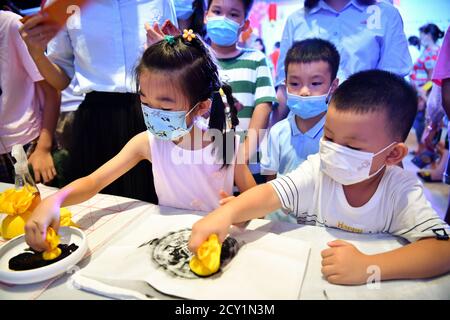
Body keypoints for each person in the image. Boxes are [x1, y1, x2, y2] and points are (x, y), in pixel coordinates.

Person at [189, 70, 450, 285]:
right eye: (329, 137)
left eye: (353, 147)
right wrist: (230, 212)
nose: (333, 150)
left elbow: (443, 249)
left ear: (393, 154)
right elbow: (271, 193)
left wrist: (369, 266)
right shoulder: (318, 169)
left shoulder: (399, 191)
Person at [25, 32, 256, 251]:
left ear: (202, 106)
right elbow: (94, 181)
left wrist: (237, 211)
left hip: (214, 242)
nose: (153, 113)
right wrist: (54, 200)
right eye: (145, 102)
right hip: (168, 241)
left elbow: (254, 199)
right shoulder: (147, 143)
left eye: (165, 107)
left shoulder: (226, 143)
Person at [19, 0, 178, 203]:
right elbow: (61, 80)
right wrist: (36, 53)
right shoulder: (63, 4)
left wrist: (170, 48)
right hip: (97, 119)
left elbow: (175, 54)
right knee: (97, 206)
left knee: (160, 203)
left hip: (154, 110)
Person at [273, 0, 412, 124]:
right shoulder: (297, 19)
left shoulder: (385, 14)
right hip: (303, 128)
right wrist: (264, 136)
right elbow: (284, 89)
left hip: (363, 127)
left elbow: (392, 84)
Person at [260, 38, 339, 223]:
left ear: (332, 86)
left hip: (321, 226)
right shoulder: (278, 132)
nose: (304, 91)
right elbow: (270, 181)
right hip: (278, 224)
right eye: (295, 84)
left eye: (315, 83)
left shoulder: (338, 136)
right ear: (285, 83)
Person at [205, 0, 277, 181]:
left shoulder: (256, 59)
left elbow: (264, 106)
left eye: (233, 14)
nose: (223, 19)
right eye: (217, 11)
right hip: (204, 164)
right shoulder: (195, 61)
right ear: (206, 16)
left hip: (249, 164)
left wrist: (244, 152)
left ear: (244, 24)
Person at [0, 9, 60, 185]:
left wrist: (43, 147)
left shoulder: (11, 25)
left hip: (25, 145)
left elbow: (52, 89)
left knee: (36, 209)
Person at [410, 24, 445, 154]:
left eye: (421, 35)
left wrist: (423, 92)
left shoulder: (433, 52)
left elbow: (432, 77)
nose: (420, 38)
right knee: (421, 121)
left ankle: (427, 152)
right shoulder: (429, 51)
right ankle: (423, 150)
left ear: (428, 35)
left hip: (425, 94)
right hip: (420, 92)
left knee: (425, 122)